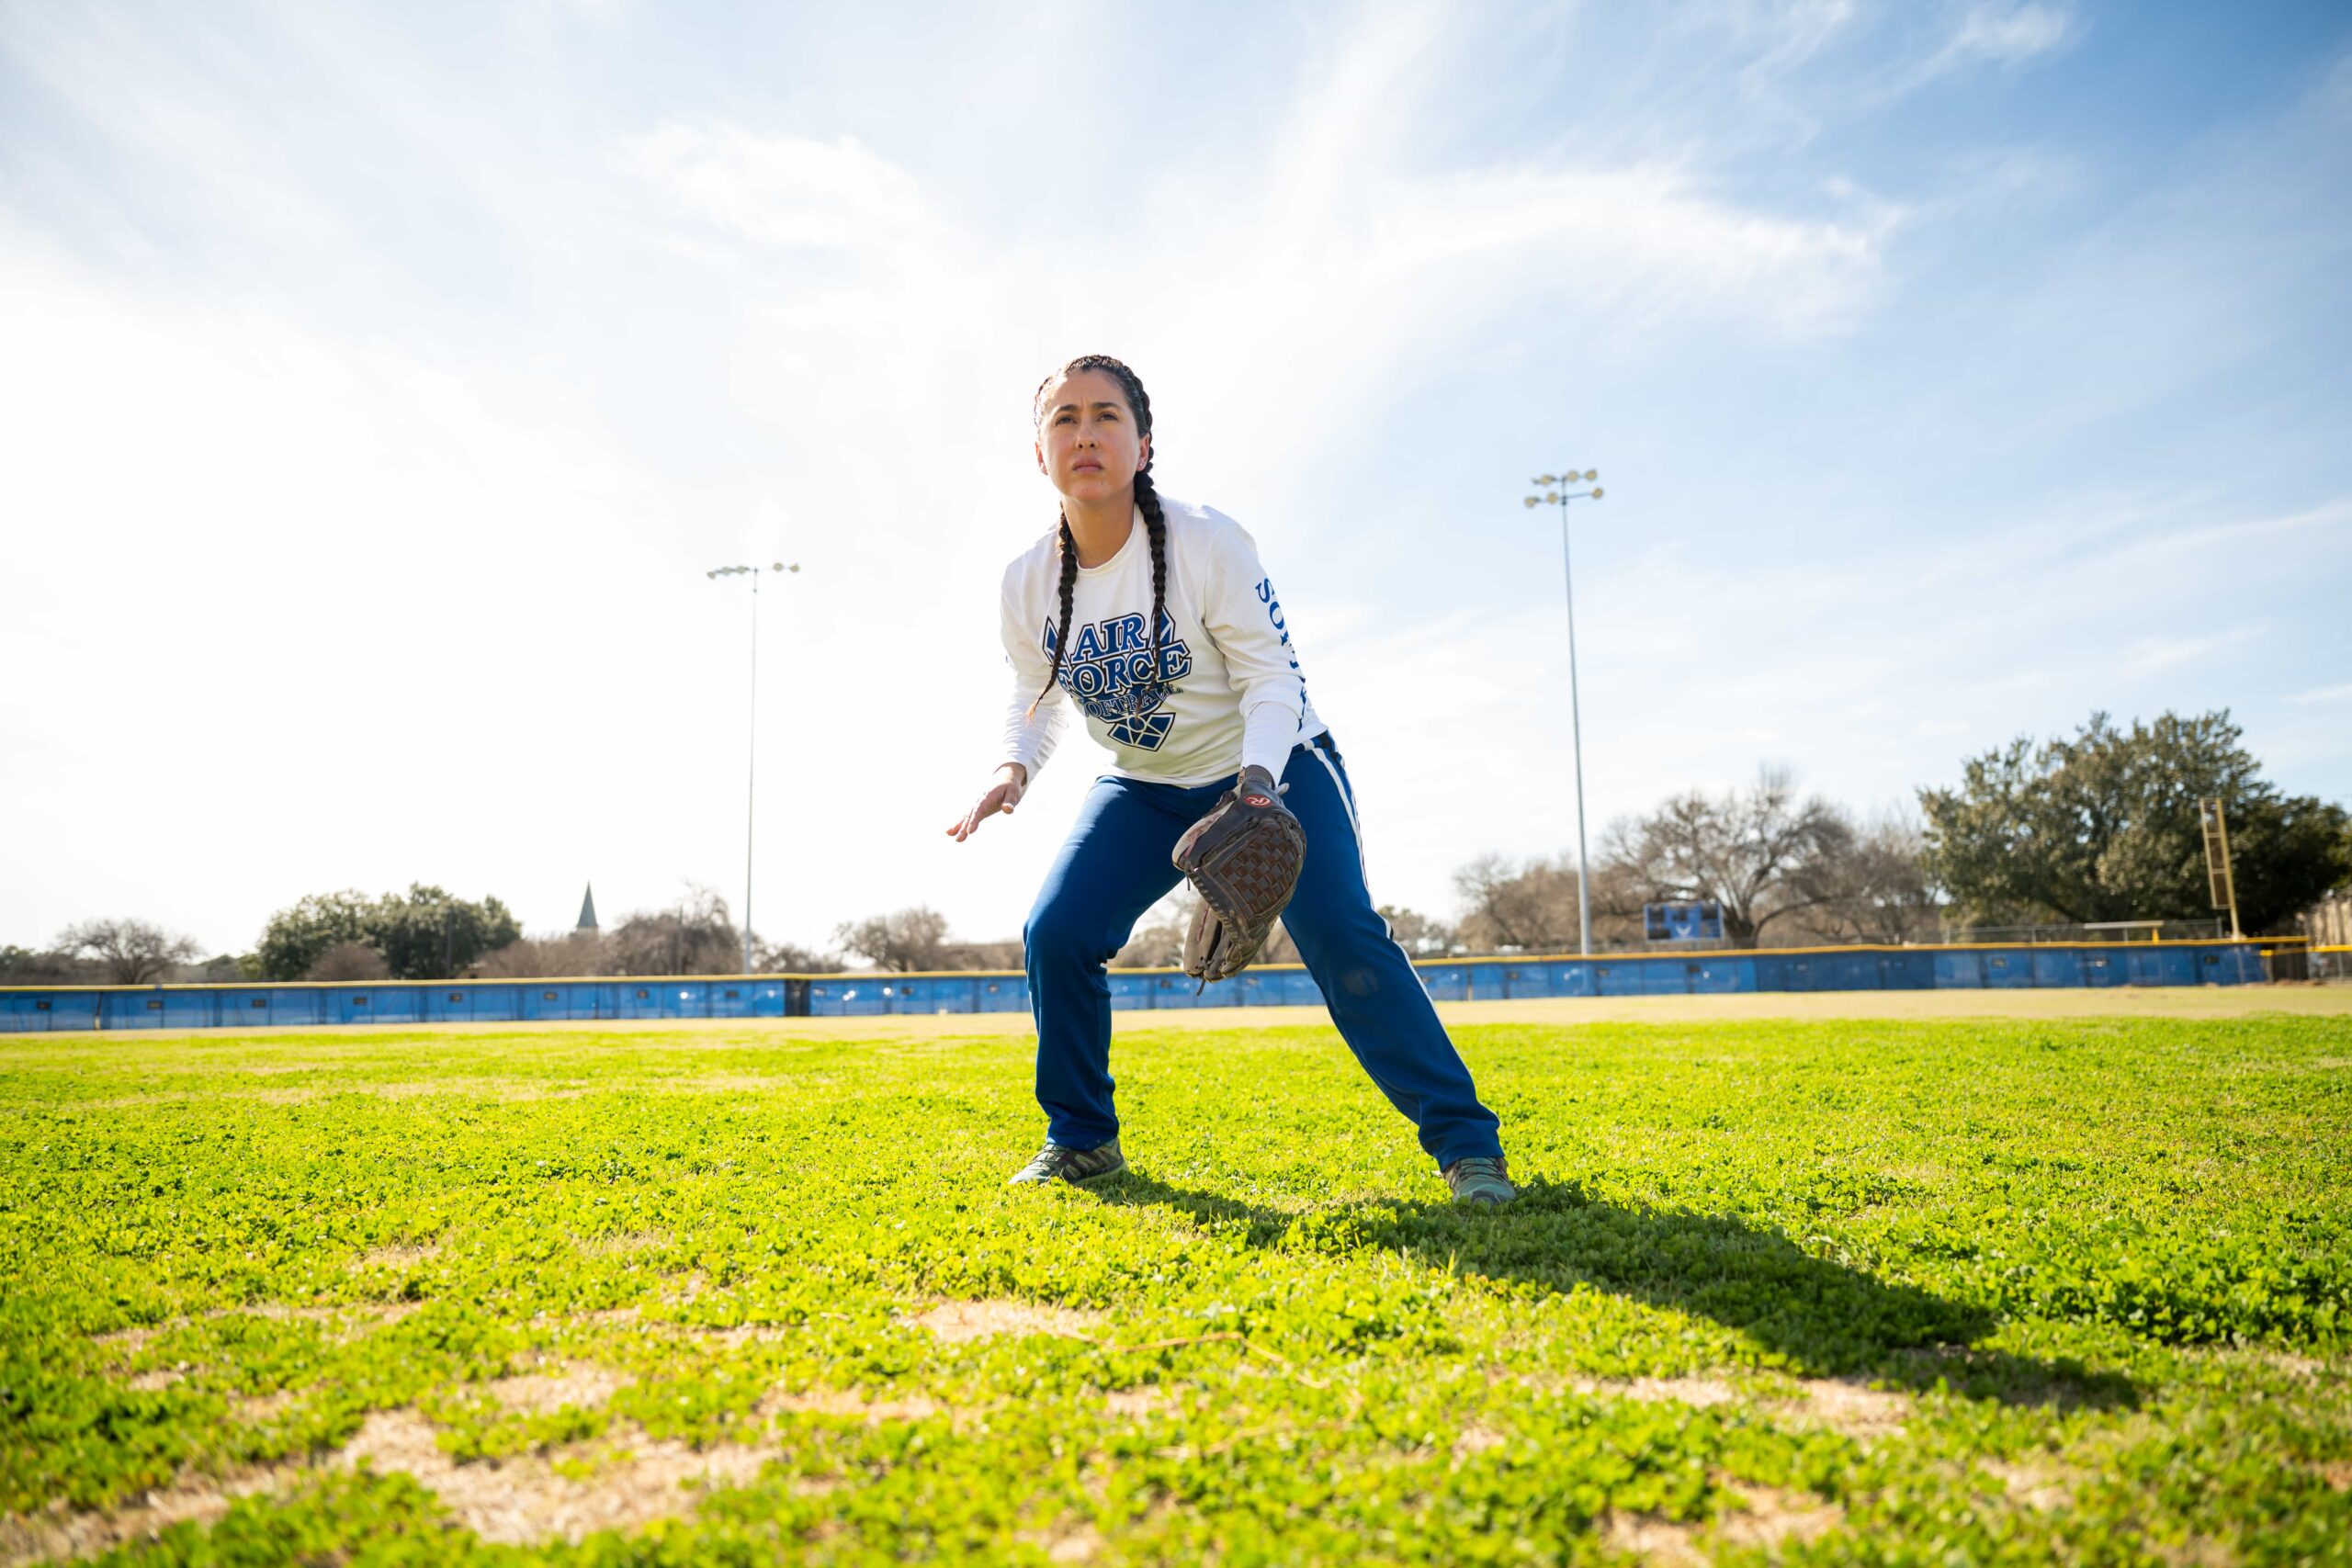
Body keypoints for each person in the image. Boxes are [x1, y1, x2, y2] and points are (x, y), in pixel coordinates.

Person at [947, 354, 1515, 1206]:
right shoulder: (1025, 580)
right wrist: (1012, 766)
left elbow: (1271, 679)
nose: (1086, 433)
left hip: (1273, 765)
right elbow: (1040, 695)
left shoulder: (1207, 539)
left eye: (1107, 416)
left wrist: (1256, 782)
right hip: (1145, 783)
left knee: (1344, 941)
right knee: (1057, 932)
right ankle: (1081, 1139)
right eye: (1064, 419)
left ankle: (1468, 1147)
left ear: (1143, 445)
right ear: (1040, 454)